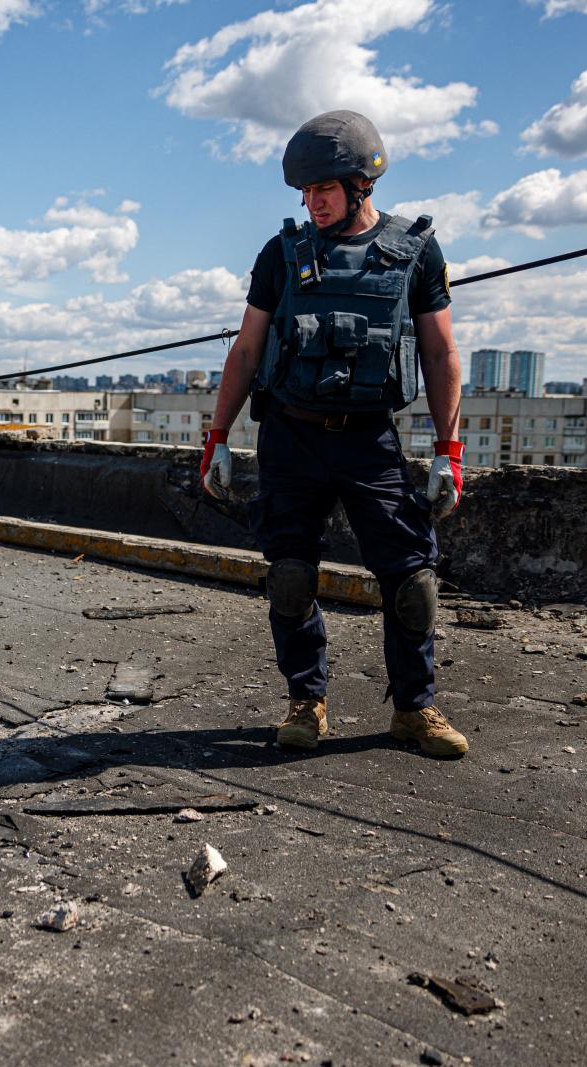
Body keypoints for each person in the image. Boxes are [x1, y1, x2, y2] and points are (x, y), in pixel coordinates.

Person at [200, 109, 469, 758]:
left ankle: (414, 708)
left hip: (367, 438)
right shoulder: (282, 254)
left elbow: (440, 354)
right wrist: (216, 438)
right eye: (305, 193)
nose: (312, 203)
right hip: (289, 438)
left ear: (361, 185)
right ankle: (307, 700)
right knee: (290, 576)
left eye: (324, 190)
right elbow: (246, 350)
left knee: (412, 582)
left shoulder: (414, 253)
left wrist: (448, 453)